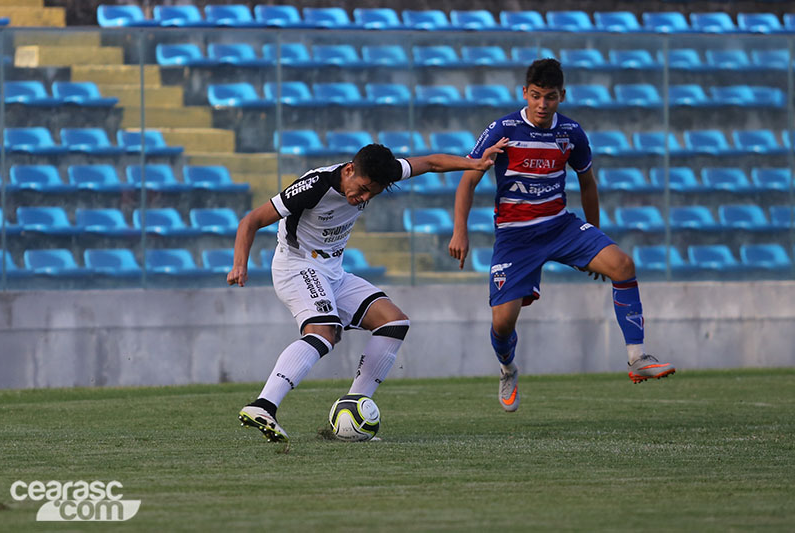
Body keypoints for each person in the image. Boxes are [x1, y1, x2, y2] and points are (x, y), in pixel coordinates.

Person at [229, 141, 506, 442]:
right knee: (324, 332)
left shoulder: (380, 172)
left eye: (372, 193)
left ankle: (353, 409)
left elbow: (431, 163)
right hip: (296, 266)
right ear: (349, 170)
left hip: (332, 271)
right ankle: (264, 405)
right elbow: (251, 221)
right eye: (361, 189)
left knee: (394, 322)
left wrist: (475, 164)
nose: (363, 197)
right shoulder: (314, 186)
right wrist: (239, 266)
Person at [448, 58, 675, 413]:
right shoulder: (502, 129)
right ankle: (508, 369)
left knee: (622, 264)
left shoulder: (570, 133)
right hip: (515, 237)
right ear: (525, 93)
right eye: (536, 96)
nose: (542, 104)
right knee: (503, 323)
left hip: (560, 226)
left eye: (550, 97)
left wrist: (595, 236)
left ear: (561, 96)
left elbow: (588, 184)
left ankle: (637, 358)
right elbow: (468, 179)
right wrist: (460, 229)